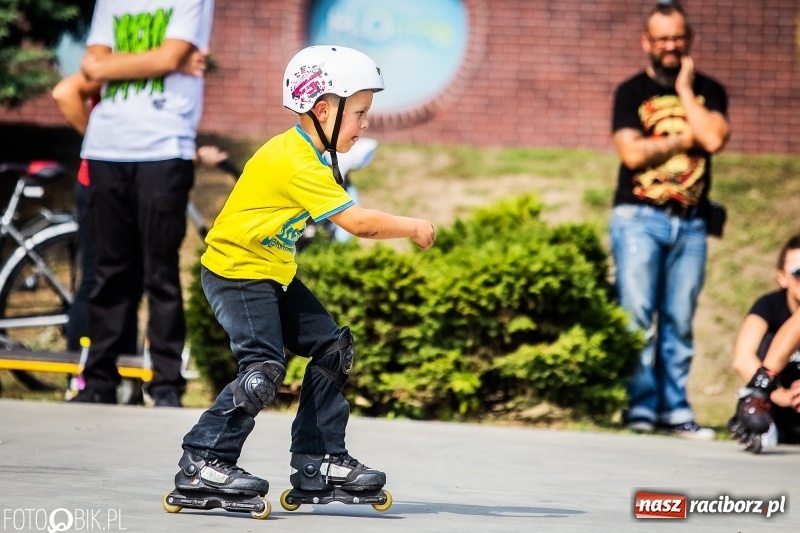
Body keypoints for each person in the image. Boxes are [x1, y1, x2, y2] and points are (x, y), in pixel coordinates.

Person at [172, 45, 435, 505]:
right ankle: (202, 461)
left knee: (333, 349)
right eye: (360, 113)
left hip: (271, 274)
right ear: (323, 110)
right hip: (236, 272)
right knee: (263, 370)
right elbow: (359, 224)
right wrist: (412, 227)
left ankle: (318, 460)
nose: (366, 123)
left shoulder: (311, 156)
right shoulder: (294, 160)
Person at [69, 0, 214, 407]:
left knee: (160, 272)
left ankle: (166, 386)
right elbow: (91, 66)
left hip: (164, 147)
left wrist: (138, 62)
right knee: (108, 272)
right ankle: (98, 381)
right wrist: (155, 62)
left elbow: (167, 56)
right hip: (104, 147)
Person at [609, 0, 730, 439]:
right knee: (638, 317)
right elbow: (632, 153)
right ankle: (640, 407)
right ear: (647, 41)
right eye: (661, 38)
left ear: (689, 39)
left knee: (679, 319)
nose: (670, 45)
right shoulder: (630, 92)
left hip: (692, 223)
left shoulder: (709, 91)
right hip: (639, 217)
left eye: (677, 37)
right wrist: (686, 136)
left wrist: (684, 91)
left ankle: (675, 408)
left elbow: (714, 138)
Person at [730, 236, 800, 449]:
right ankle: (758, 407)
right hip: (778, 400)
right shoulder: (768, 306)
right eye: (799, 273)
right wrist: (775, 393)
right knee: (766, 342)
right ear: (782, 277)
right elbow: (742, 359)